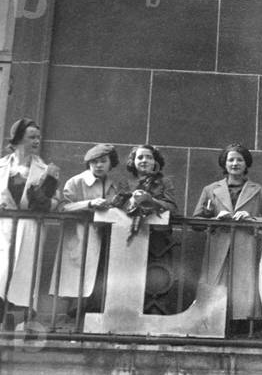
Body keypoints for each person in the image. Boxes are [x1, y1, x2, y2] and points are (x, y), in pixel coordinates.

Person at [193, 144, 262, 324]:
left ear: (246, 164)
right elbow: (196, 221)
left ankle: (242, 326)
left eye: (240, 159)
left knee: (243, 288)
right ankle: (211, 324)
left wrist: (251, 218)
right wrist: (216, 219)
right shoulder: (210, 190)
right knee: (214, 284)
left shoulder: (260, 191)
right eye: (231, 159)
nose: (235, 163)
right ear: (224, 164)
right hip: (218, 245)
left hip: (245, 246)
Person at [0, 118, 60, 314]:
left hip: (30, 227)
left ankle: (18, 320)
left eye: (38, 137)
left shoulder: (46, 170)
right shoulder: (1, 166)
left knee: (23, 276)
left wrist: (44, 202)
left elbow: (56, 202)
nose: (36, 141)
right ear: (17, 139)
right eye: (31, 137)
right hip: (3, 226)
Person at [55, 143, 123, 307]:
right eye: (94, 162)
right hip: (81, 235)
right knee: (79, 278)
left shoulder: (114, 185)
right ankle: (75, 314)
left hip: (104, 235)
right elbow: (62, 207)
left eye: (103, 161)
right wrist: (89, 203)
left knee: (99, 277)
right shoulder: (76, 182)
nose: (98, 165)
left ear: (110, 163)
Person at [110, 144, 178, 236]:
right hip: (125, 231)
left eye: (149, 157)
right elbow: (117, 209)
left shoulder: (164, 182)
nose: (144, 160)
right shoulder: (124, 182)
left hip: (157, 236)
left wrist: (151, 201)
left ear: (155, 161)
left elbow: (173, 209)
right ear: (133, 161)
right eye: (140, 157)